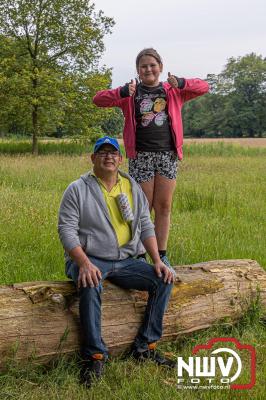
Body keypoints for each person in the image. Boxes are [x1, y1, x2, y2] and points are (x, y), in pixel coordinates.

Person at [58, 136, 176, 388]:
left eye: (113, 152)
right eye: (102, 152)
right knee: (90, 282)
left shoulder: (131, 186)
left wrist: (157, 260)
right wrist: (85, 263)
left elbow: (145, 224)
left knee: (163, 280)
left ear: (120, 159)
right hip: (90, 259)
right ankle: (95, 356)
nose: (108, 156)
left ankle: (144, 347)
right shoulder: (77, 189)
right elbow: (66, 230)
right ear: (93, 158)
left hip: (124, 260)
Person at [93, 48, 209, 266]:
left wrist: (181, 82)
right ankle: (139, 254)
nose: (148, 69)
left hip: (167, 155)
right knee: (143, 208)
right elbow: (97, 99)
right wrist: (121, 91)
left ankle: (162, 254)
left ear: (160, 68)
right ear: (138, 70)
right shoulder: (131, 94)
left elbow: (204, 87)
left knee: (164, 206)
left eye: (152, 65)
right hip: (141, 156)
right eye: (144, 66)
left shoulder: (172, 91)